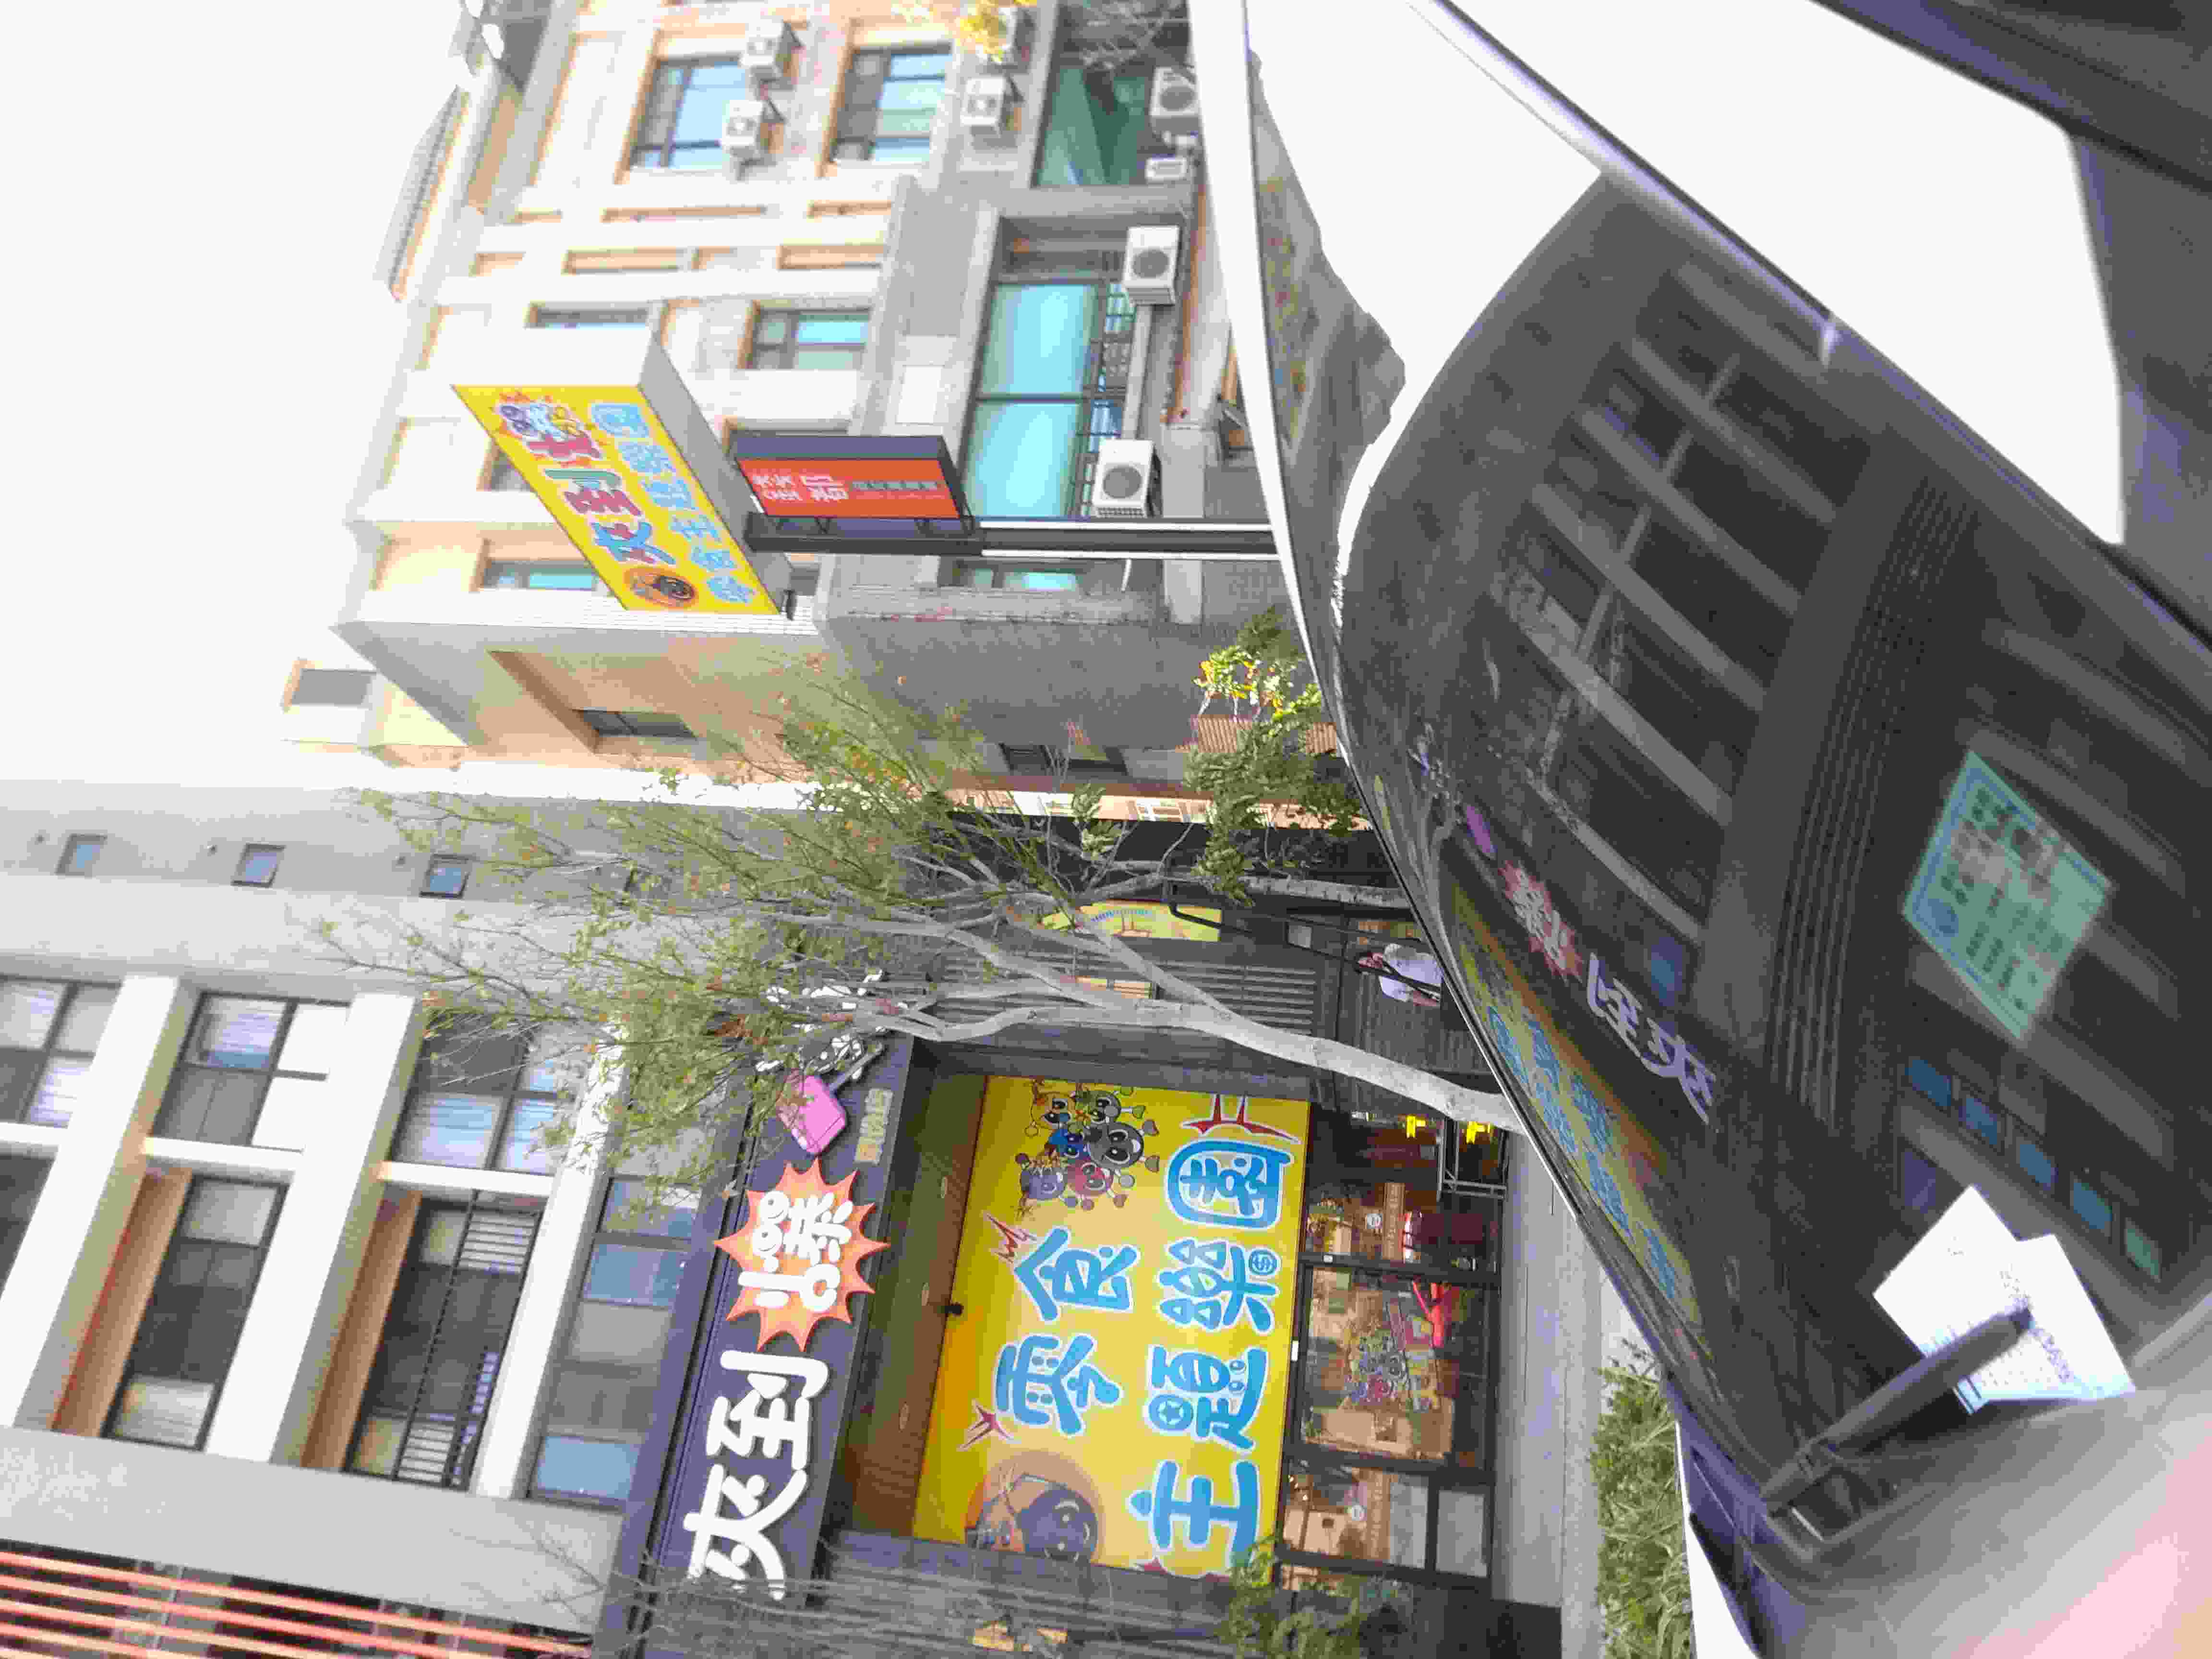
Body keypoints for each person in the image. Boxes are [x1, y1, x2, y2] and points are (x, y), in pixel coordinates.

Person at [1358, 942, 1444, 1009]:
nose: (1370, 965)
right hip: (1439, 988)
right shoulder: (1386, 988)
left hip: (1441, 965)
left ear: (1371, 956)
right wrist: (1439, 1005)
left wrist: (1385, 957)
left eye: (1368, 961)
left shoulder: (1390, 949)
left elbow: (1411, 951)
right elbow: (1414, 997)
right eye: (1366, 968)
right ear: (1367, 974)